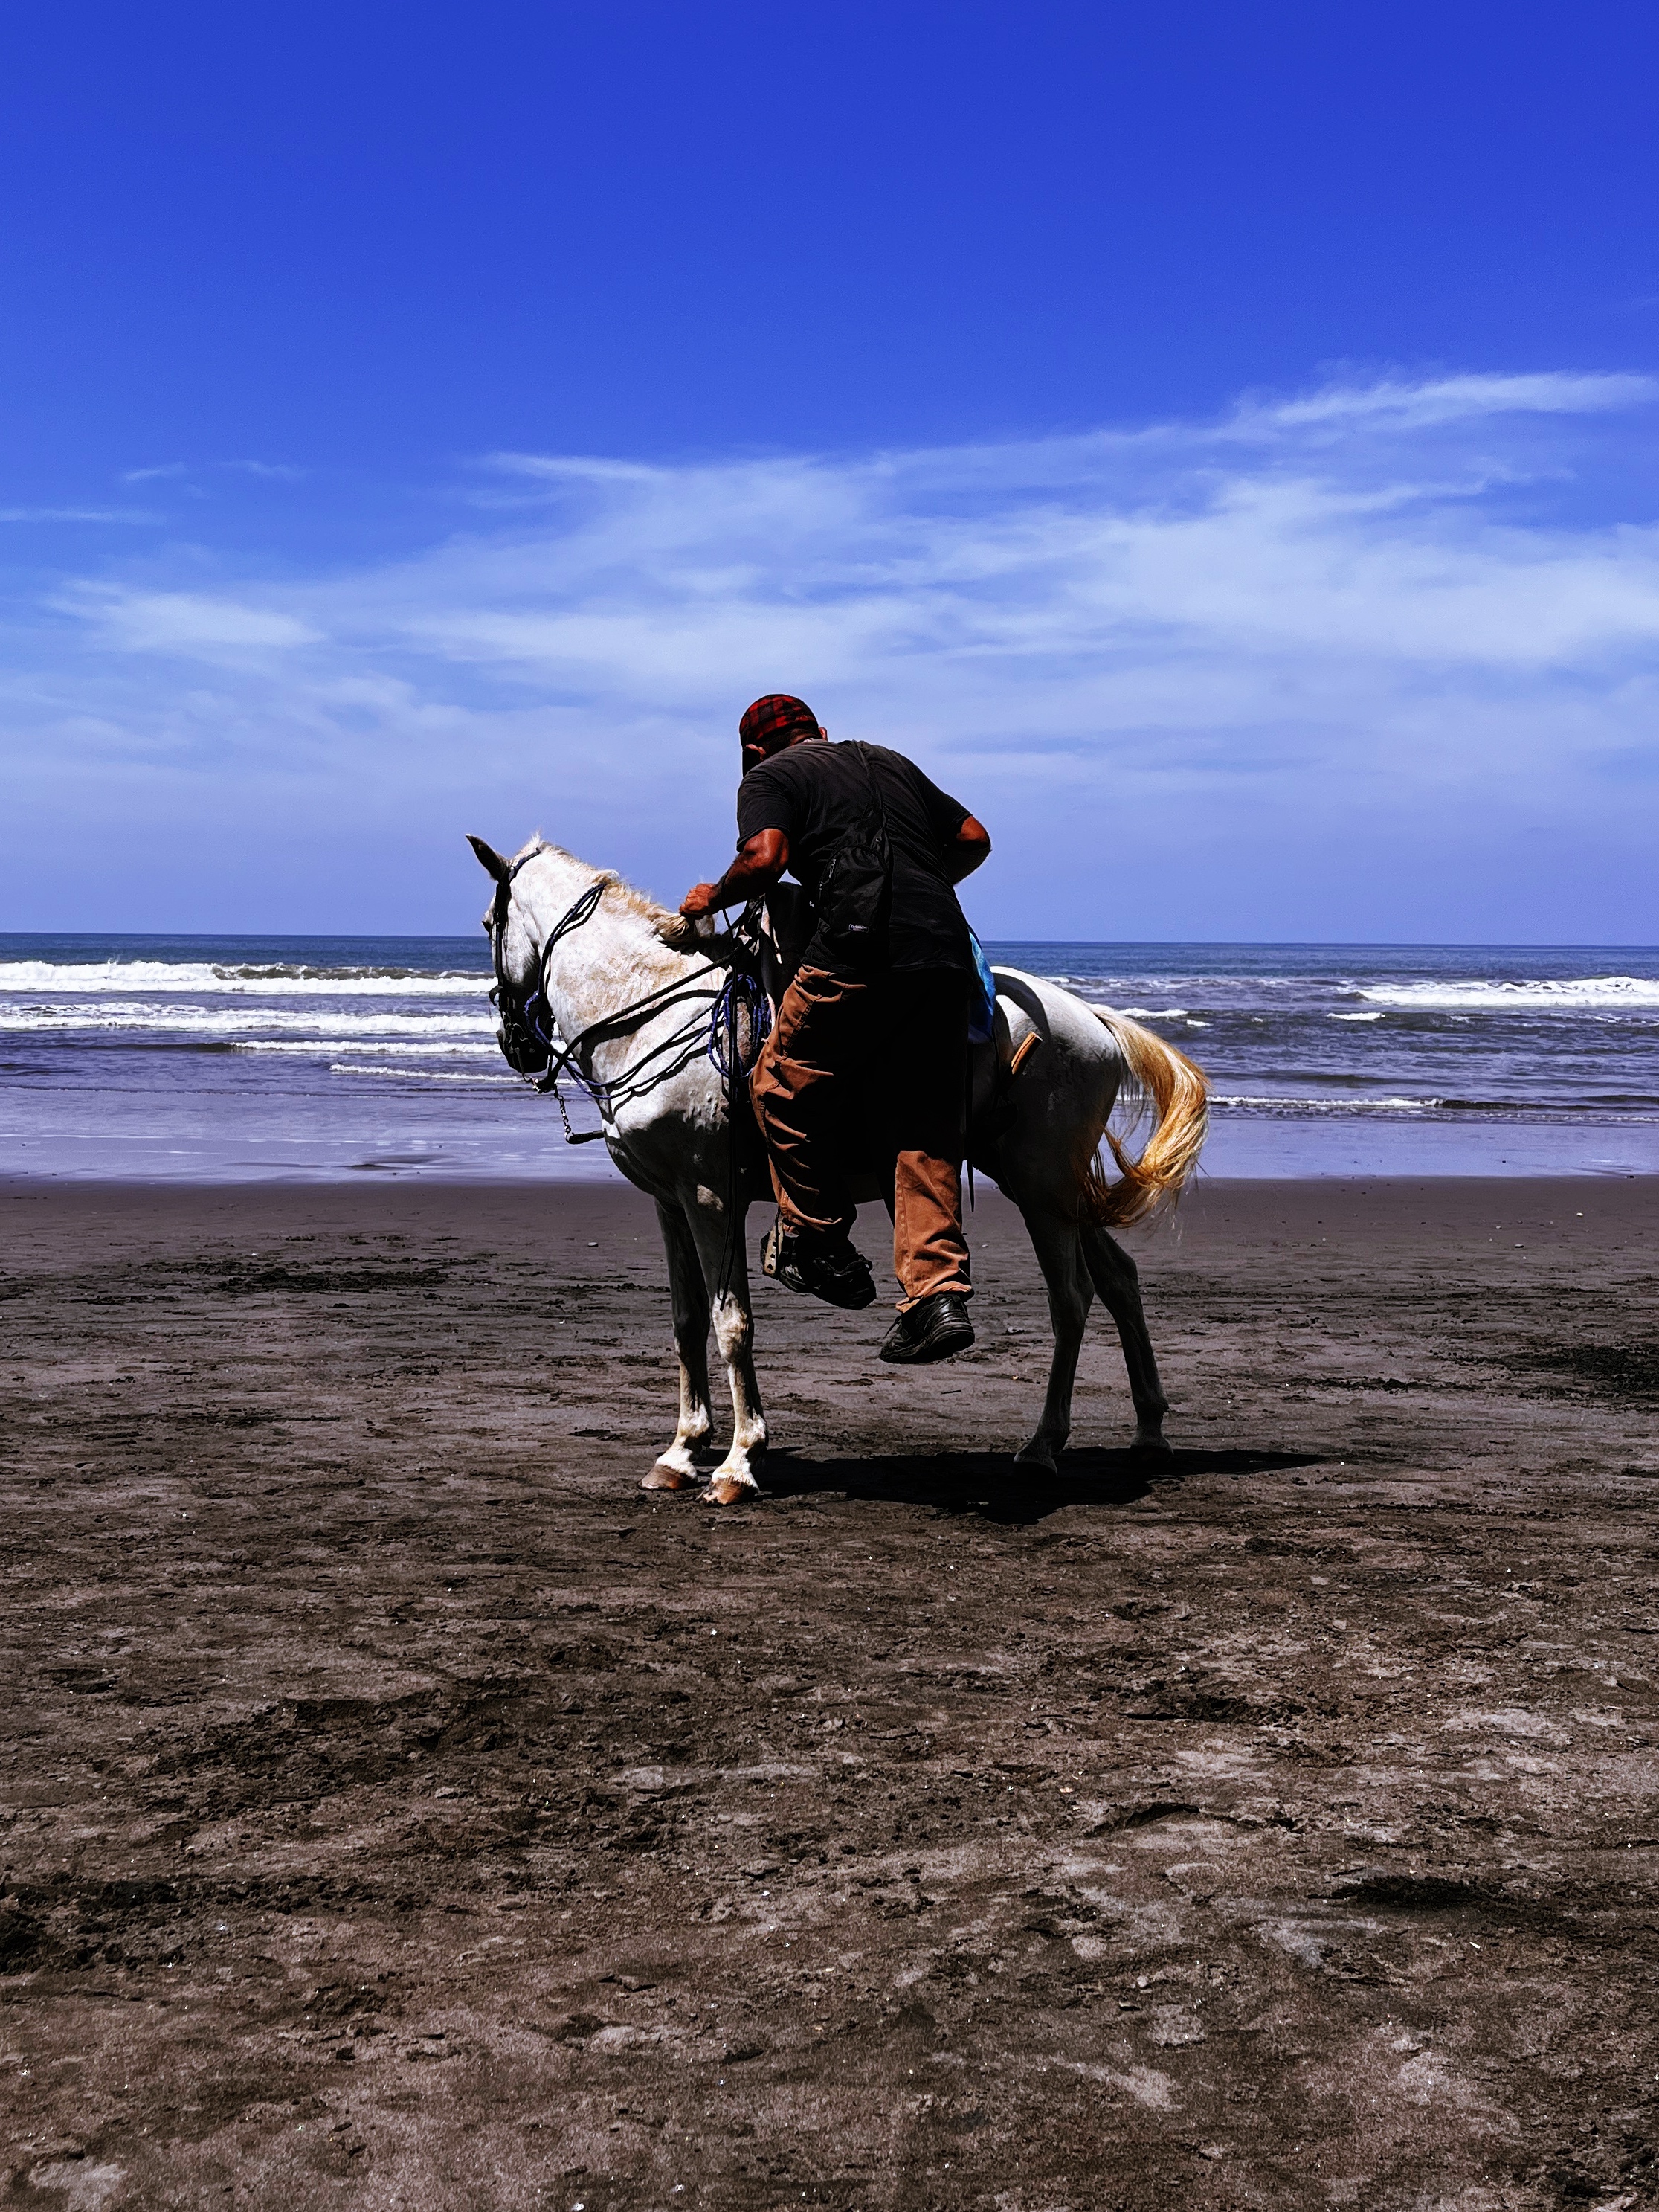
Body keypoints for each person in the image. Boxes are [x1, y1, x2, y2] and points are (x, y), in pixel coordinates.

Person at [680, 694, 991, 1365]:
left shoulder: (770, 778)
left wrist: (714, 897)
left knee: (779, 1085)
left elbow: (765, 859)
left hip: (858, 947)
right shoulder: (887, 759)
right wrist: (922, 886)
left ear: (752, 753)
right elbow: (973, 839)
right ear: (819, 732)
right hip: (942, 954)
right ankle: (936, 1296)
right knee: (922, 1125)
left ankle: (819, 1240)